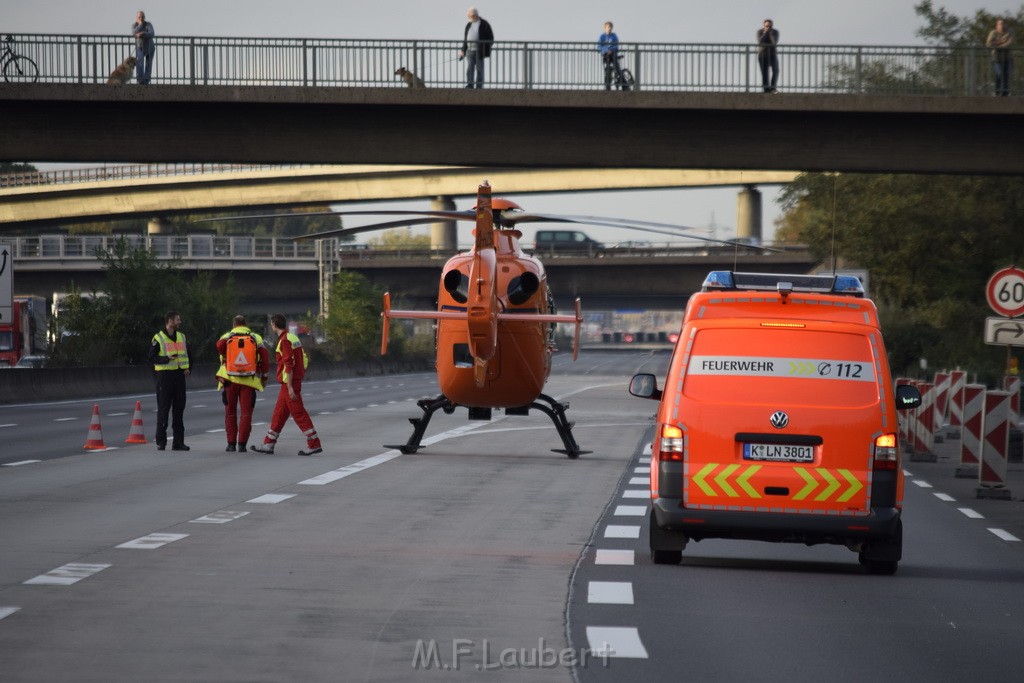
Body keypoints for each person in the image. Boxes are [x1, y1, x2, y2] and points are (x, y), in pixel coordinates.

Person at [251, 314, 323, 456]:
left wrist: (290, 386)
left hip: (289, 383)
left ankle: (314, 444)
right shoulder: (293, 338)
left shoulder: (284, 341)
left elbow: (288, 364)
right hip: (291, 382)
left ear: (273, 325)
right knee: (279, 414)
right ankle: (268, 443)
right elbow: (304, 359)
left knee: (298, 413)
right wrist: (299, 375)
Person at [215, 315, 270, 453]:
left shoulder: (227, 336)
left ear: (234, 325)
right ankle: (242, 445)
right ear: (246, 324)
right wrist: (264, 376)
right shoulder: (255, 338)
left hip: (230, 380)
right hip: (249, 381)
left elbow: (219, 346)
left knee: (230, 413)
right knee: (246, 414)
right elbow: (264, 357)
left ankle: (231, 444)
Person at [148, 310, 190, 451]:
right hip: (164, 377)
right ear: (170, 321)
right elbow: (151, 358)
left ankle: (178, 442)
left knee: (179, 410)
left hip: (179, 377)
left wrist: (188, 368)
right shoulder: (158, 338)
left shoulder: (182, 336)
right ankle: (161, 441)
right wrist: (166, 359)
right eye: (178, 319)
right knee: (164, 409)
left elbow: (188, 354)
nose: (180, 322)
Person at [458, 7, 494, 89]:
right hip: (469, 50)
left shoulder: (484, 24)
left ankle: (479, 86)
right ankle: (470, 85)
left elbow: (490, 37)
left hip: (480, 50)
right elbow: (465, 39)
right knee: (470, 68)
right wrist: (463, 51)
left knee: (479, 69)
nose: (469, 18)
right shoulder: (469, 24)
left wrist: (486, 47)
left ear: (474, 15)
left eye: (470, 16)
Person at [986, 18, 1013, 96]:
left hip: (1007, 58)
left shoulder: (1009, 32)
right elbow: (988, 44)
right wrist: (1002, 42)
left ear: (1005, 25)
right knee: (998, 74)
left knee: (1006, 75)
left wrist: (997, 44)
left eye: (1003, 24)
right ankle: (997, 91)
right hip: (997, 58)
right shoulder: (993, 33)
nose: (1001, 25)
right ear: (996, 25)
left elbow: (1009, 43)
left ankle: (1005, 91)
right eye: (999, 24)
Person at [132, 10, 155, 84]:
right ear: (136, 18)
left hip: (150, 47)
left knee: (149, 64)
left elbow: (151, 34)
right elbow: (134, 33)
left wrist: (142, 34)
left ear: (144, 17)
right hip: (140, 47)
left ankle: (146, 80)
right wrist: (140, 25)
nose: (141, 18)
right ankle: (140, 80)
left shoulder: (148, 24)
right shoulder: (134, 25)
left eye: (142, 17)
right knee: (140, 63)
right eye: (139, 17)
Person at [756, 19, 779, 93]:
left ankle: (773, 87)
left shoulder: (775, 32)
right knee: (765, 73)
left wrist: (770, 34)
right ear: (764, 26)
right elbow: (760, 41)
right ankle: (766, 89)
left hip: (772, 54)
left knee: (776, 70)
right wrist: (765, 33)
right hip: (762, 55)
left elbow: (774, 42)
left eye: (770, 26)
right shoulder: (760, 32)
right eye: (767, 26)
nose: (768, 27)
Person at [598, 21, 619, 91]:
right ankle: (608, 85)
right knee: (607, 69)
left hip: (613, 53)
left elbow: (616, 45)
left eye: (610, 27)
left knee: (616, 67)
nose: (609, 29)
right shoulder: (602, 36)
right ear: (605, 28)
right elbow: (599, 47)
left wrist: (611, 50)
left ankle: (620, 76)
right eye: (608, 27)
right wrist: (606, 50)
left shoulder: (614, 36)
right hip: (606, 54)